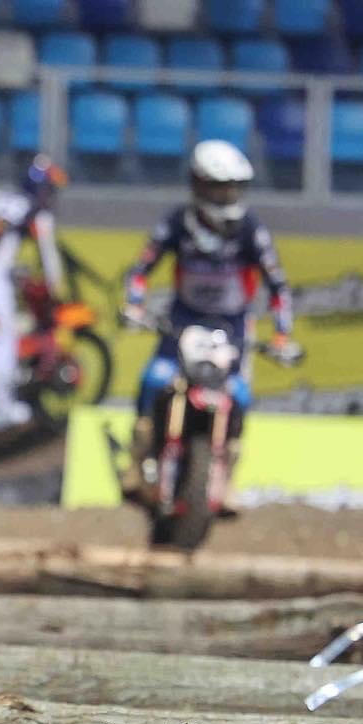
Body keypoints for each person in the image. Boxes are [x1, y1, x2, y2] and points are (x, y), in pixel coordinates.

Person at [118, 140, 299, 502]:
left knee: (239, 396)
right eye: (220, 186)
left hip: (232, 328)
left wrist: (282, 334)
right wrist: (135, 306)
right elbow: (140, 270)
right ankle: (138, 462)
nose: (227, 195)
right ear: (199, 184)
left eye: (233, 187)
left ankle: (225, 479)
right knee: (153, 380)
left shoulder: (250, 228)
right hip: (182, 321)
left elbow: (278, 286)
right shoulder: (176, 223)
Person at [0, 155, 69, 431]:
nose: (51, 197)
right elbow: (48, 257)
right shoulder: (35, 211)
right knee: (4, 339)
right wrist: (57, 290)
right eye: (49, 190)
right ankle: (1, 409)